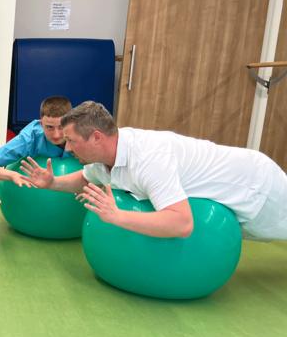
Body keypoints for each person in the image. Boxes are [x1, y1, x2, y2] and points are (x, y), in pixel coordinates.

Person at [19, 101, 287, 241]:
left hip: (257, 188)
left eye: (72, 141)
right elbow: (84, 178)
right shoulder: (105, 158)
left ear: (97, 138)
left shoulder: (149, 159)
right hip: (237, 197)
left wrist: (117, 216)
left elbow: (182, 224)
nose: (67, 148)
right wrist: (51, 182)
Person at [0, 96, 73, 186]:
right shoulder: (29, 139)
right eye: (49, 127)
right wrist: (12, 175)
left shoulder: (82, 135)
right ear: (41, 124)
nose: (56, 134)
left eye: (61, 126)